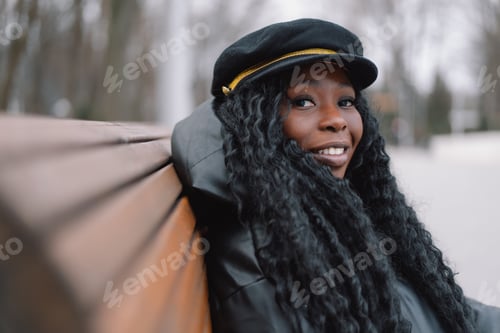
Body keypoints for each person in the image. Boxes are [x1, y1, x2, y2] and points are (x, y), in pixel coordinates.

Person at [172, 18, 500, 332]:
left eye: (346, 101)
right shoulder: (267, 262)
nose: (337, 120)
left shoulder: (330, 211)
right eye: (303, 101)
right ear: (254, 126)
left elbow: (429, 308)